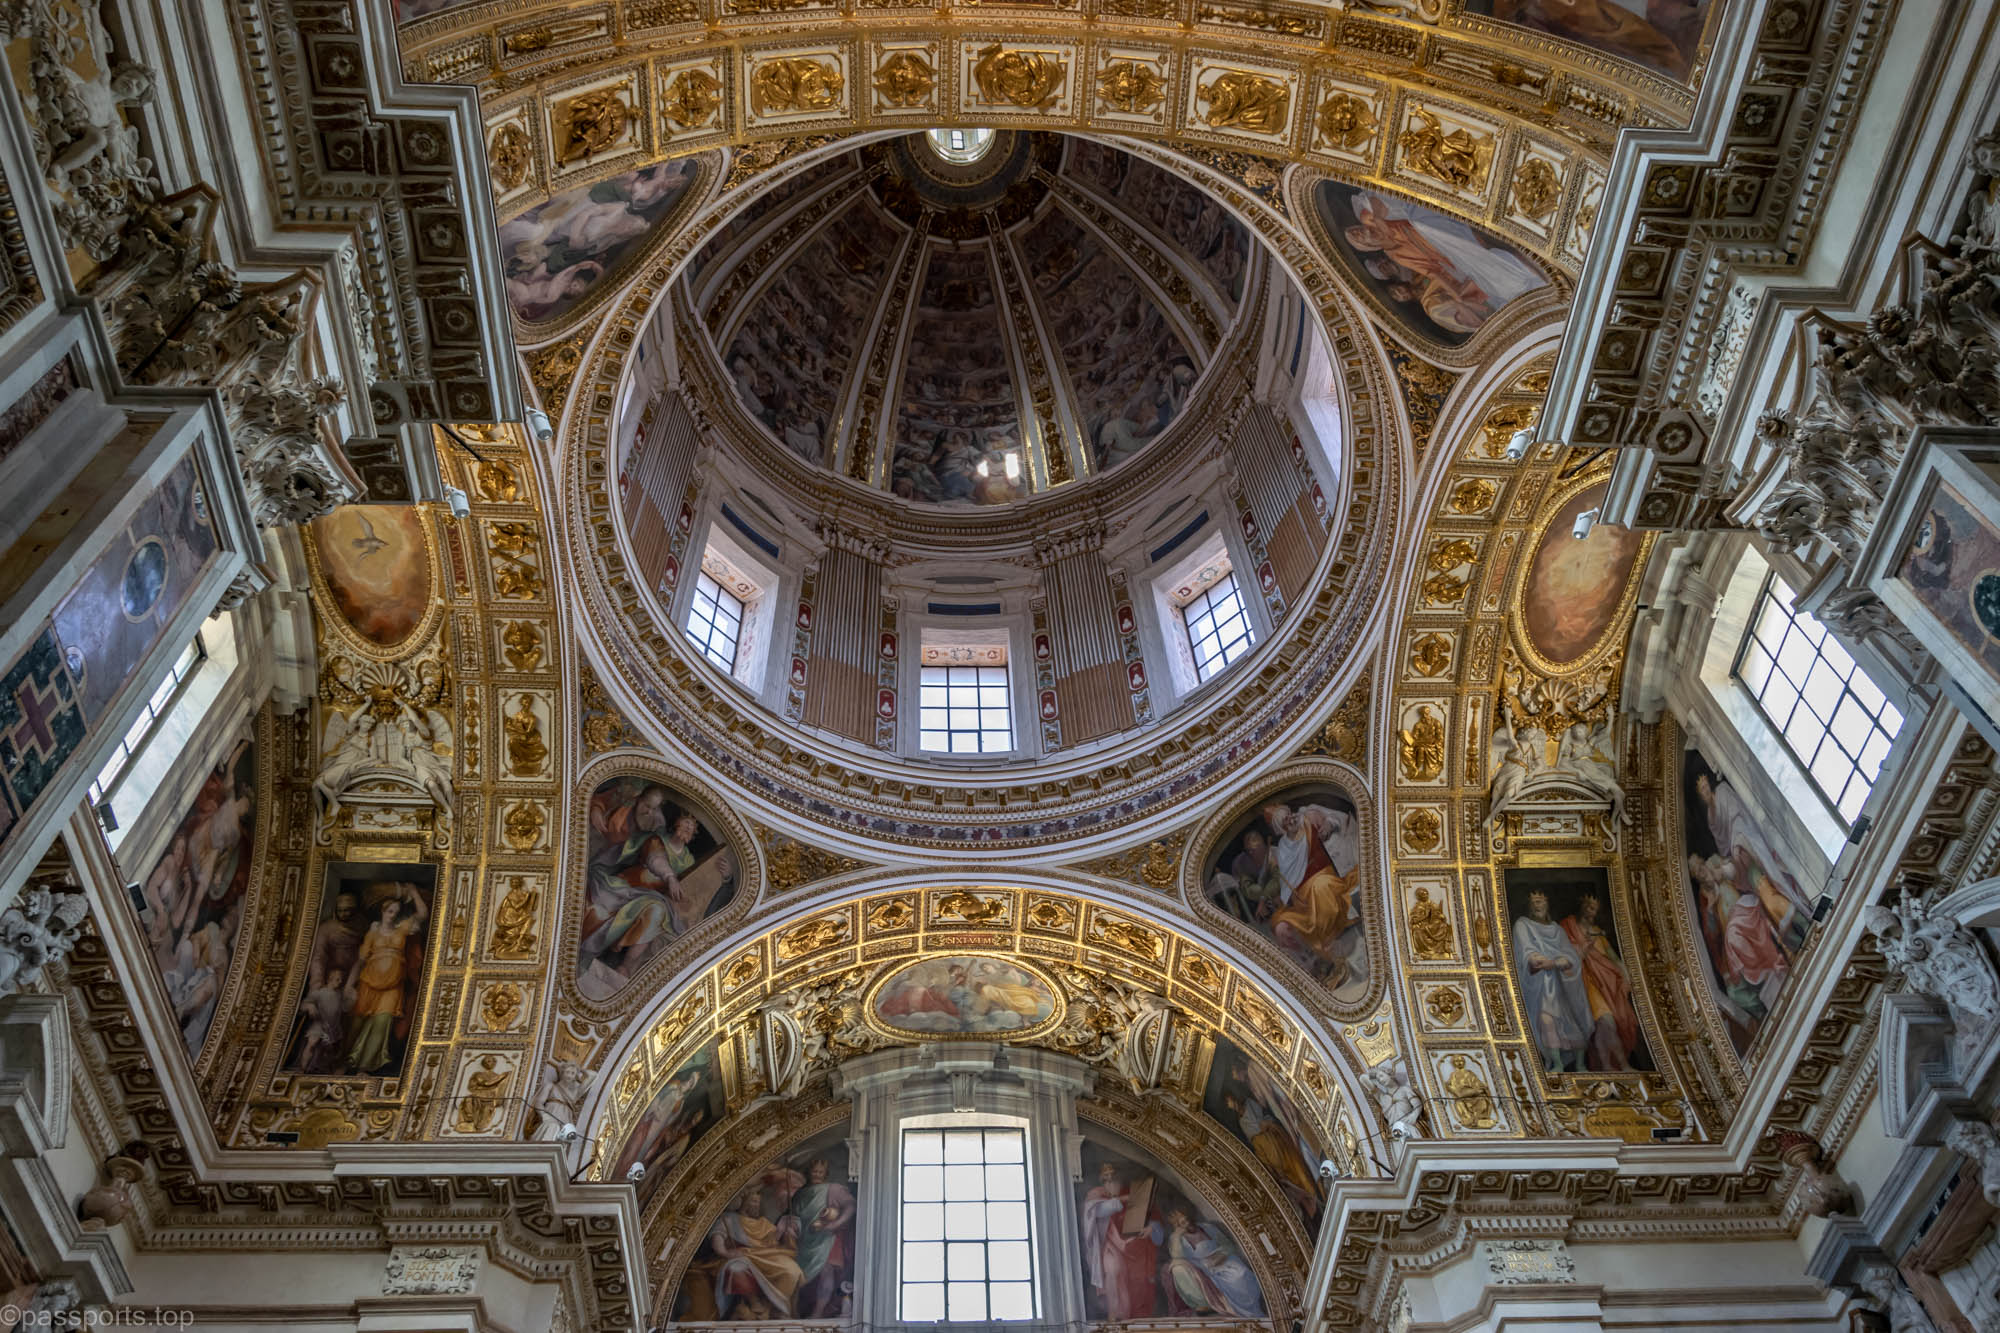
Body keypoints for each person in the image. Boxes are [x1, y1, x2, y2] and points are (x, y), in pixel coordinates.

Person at [1261, 801, 1363, 981]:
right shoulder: (1284, 846)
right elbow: (1288, 879)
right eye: (1284, 821)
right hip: (1303, 894)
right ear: (1282, 828)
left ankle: (1330, 939)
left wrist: (1329, 824)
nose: (1290, 820)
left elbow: (1338, 819)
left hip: (1327, 877)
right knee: (1285, 919)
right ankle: (1323, 956)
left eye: (1288, 815)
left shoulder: (1309, 818)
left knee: (1321, 885)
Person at [344, 883, 428, 1074]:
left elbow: (422, 914)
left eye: (396, 912)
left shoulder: (402, 930)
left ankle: (365, 1067)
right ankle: (346, 1061)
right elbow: (360, 961)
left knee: (382, 1023)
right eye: (390, 911)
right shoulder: (372, 933)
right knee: (357, 1023)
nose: (392, 915)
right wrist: (349, 986)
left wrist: (414, 892)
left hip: (393, 985)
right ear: (383, 911)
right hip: (368, 982)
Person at [1560, 893, 1642, 1070]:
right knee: (1606, 1022)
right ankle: (1620, 1065)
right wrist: (1582, 949)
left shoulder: (1598, 933)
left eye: (1595, 909)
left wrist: (1626, 976)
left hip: (1607, 984)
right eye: (1589, 907)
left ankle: (1608, 1066)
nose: (1592, 912)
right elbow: (1562, 954)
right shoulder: (1569, 926)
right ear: (1582, 906)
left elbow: (1613, 958)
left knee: (1607, 1026)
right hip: (1584, 983)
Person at [1513, 890, 1590, 1072]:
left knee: (1571, 1024)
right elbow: (1528, 953)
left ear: (1547, 904)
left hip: (1561, 986)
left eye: (1540, 901)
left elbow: (1570, 957)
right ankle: (1557, 1064)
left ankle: (1580, 1065)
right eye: (1533, 902)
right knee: (1546, 1021)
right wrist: (1544, 961)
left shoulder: (1557, 930)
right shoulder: (1523, 925)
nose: (1537, 905)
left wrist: (1554, 963)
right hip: (1540, 987)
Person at [1079, 1161, 1161, 1320]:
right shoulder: (1096, 1194)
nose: (1110, 1180)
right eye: (1106, 1177)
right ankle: (1115, 1312)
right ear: (1102, 1179)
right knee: (1113, 1270)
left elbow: (1149, 1215)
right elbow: (1097, 1211)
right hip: (1107, 1245)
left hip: (1131, 1244)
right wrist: (1123, 1199)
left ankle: (1132, 1314)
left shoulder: (1130, 1193)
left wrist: (1151, 1227)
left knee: (1135, 1277)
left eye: (1113, 1176)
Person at [708, 1185, 804, 1319]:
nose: (757, 1205)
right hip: (743, 1255)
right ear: (745, 1203)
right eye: (754, 1201)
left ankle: (776, 1308)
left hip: (767, 1256)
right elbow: (717, 1235)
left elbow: (775, 1241)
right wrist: (725, 1253)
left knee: (792, 1270)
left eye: (758, 1202)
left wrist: (787, 1231)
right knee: (736, 1268)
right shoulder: (730, 1219)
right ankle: (755, 1304)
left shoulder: (764, 1223)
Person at [1225, 1091, 1320, 1221]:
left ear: (1233, 1097)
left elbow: (1265, 1117)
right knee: (1291, 1181)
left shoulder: (1249, 1103)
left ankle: (1315, 1195)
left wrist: (1267, 1125)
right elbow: (1254, 1139)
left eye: (1229, 1100)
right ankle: (1311, 1207)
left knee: (1298, 1169)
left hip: (1276, 1140)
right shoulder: (1241, 1122)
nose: (1230, 1104)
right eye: (1228, 1103)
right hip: (1266, 1150)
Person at [1162, 1208, 1265, 1317]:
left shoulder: (1207, 1228)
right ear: (1178, 1226)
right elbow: (1177, 1256)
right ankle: (1209, 1305)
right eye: (1182, 1223)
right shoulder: (1177, 1238)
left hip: (1222, 1260)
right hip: (1201, 1266)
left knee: (1241, 1274)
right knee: (1178, 1268)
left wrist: (1220, 1256)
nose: (1187, 1223)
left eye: (1187, 1219)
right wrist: (1177, 1236)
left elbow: (1228, 1245)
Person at [787, 1158, 855, 1318]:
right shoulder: (800, 1195)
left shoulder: (834, 1189)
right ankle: (792, 1311)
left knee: (826, 1271)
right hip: (804, 1240)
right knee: (796, 1274)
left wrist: (835, 1224)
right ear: (809, 1173)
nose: (817, 1174)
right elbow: (794, 1216)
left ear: (826, 1174)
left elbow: (850, 1206)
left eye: (820, 1172)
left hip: (827, 1238)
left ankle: (818, 1312)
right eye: (814, 1171)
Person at [296, 966, 347, 1074]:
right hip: (319, 1024)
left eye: (341, 979)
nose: (340, 982)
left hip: (333, 1027)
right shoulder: (319, 993)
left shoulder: (339, 995)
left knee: (327, 1051)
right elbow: (303, 1004)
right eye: (338, 979)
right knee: (312, 1043)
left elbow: (343, 1009)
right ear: (329, 979)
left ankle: (316, 1069)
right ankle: (302, 1069)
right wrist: (310, 1006)